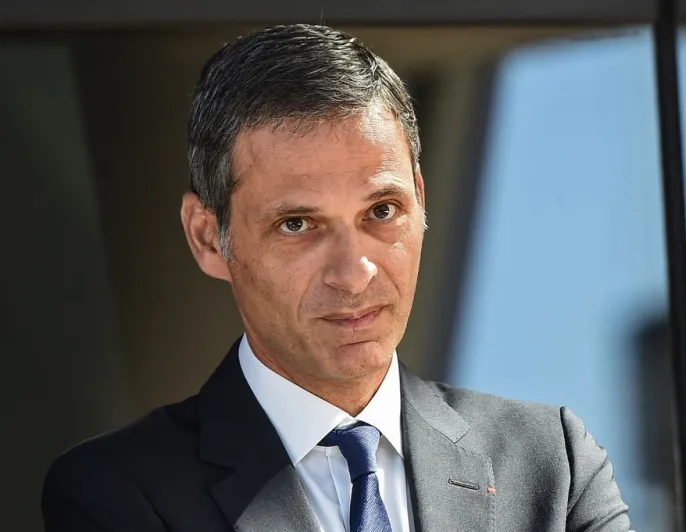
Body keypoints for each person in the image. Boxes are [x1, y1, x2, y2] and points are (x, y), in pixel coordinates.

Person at [42, 24, 631, 531]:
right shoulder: (117, 491)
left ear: (420, 201)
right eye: (297, 223)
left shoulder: (552, 464)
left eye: (381, 211)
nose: (355, 274)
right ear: (207, 237)